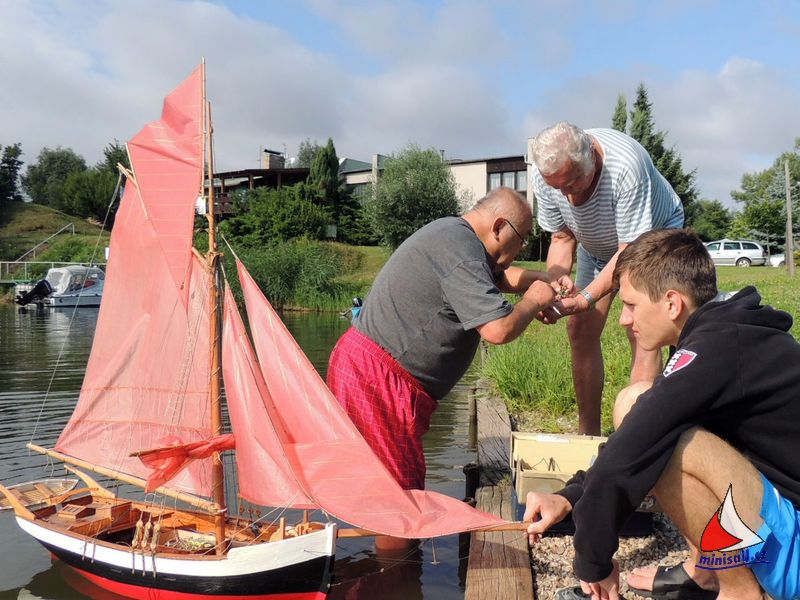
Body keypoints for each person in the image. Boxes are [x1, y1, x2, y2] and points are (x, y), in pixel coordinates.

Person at [524, 229, 800, 600]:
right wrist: (572, 496)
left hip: (795, 551)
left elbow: (627, 457)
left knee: (668, 442)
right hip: (783, 518)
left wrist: (592, 563)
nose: (623, 319)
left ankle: (739, 592)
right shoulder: (721, 332)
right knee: (640, 404)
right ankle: (707, 572)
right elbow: (636, 437)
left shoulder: (716, 348)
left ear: (672, 303)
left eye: (631, 305)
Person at [327, 187, 562, 549]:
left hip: (374, 372)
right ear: (500, 227)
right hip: (375, 378)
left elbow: (499, 280)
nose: (523, 248)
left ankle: (389, 566)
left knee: (398, 491)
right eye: (523, 238)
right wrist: (533, 301)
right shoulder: (460, 251)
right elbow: (498, 330)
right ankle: (396, 576)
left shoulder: (460, 240)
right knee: (399, 504)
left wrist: (542, 282)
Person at [530, 121, 685, 434]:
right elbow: (561, 237)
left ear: (591, 156)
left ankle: (638, 435)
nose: (566, 195)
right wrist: (556, 281)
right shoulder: (545, 174)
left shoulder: (626, 166)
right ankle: (588, 434)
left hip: (651, 240)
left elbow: (628, 252)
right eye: (557, 188)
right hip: (596, 246)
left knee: (642, 331)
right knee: (580, 329)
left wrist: (586, 298)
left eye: (572, 184)